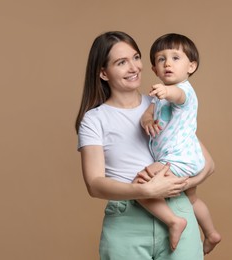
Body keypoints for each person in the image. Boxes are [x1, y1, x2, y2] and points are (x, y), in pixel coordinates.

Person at [75, 31, 215, 260]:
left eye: (136, 57)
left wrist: (182, 184)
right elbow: (94, 184)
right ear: (103, 72)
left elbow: (207, 163)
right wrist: (144, 190)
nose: (134, 68)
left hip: (176, 207)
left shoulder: (161, 102)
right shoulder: (95, 119)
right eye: (122, 62)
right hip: (127, 221)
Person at [137, 33, 221, 254]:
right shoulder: (157, 97)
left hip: (177, 158)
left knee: (141, 184)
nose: (167, 64)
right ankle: (211, 233)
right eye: (161, 59)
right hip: (187, 156)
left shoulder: (184, 91)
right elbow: (148, 112)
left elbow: (177, 96)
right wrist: (147, 119)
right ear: (154, 68)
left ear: (191, 66)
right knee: (192, 199)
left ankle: (175, 221)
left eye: (175, 58)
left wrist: (166, 92)